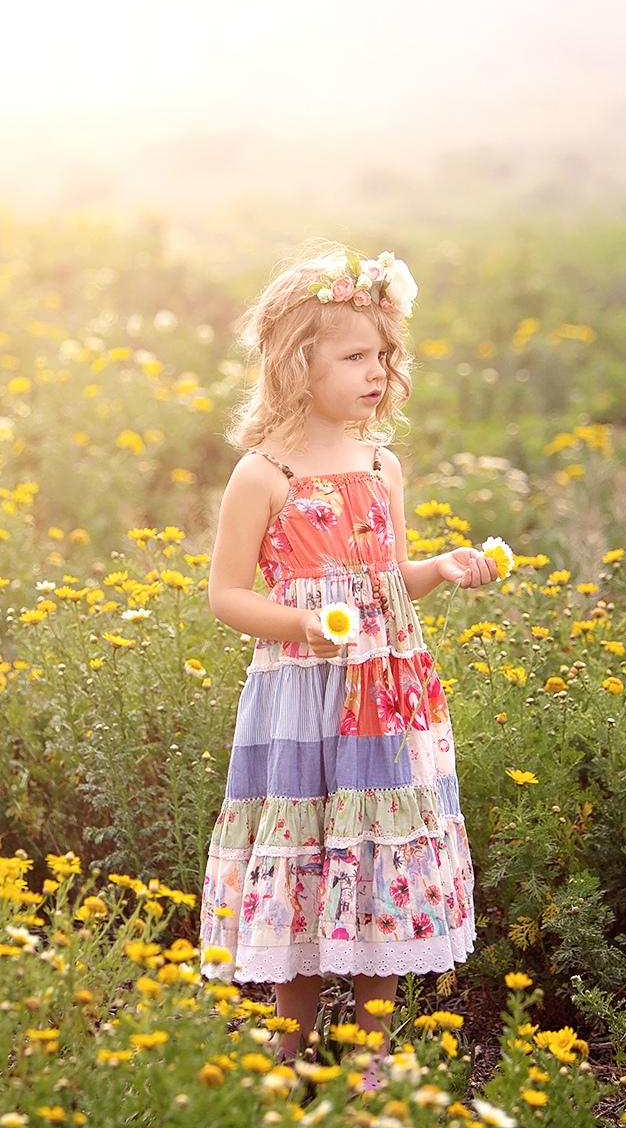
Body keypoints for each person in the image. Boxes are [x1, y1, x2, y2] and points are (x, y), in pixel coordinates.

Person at [198, 244, 495, 1064]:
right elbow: (227, 595)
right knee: (305, 859)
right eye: (355, 355)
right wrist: (303, 627)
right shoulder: (265, 473)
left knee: (376, 858)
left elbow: (388, 578)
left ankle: (367, 1063)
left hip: (385, 694)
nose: (377, 372)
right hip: (301, 697)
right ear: (298, 364)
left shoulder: (381, 464)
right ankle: (287, 1055)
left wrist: (442, 569)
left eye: (384, 356)